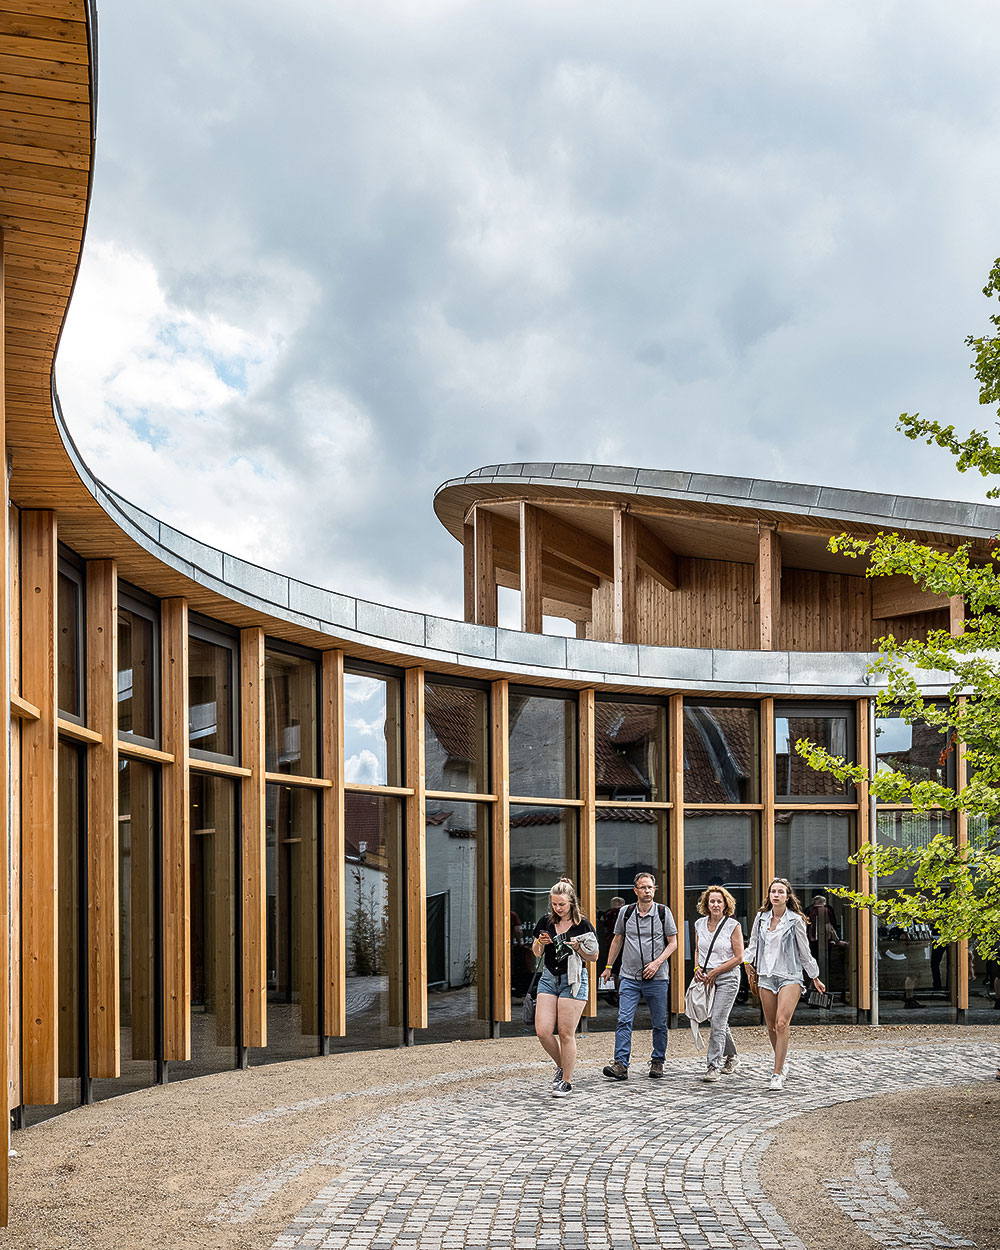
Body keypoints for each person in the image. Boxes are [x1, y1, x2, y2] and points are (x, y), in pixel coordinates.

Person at [746, 877, 825, 1092]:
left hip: (790, 976)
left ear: (787, 896)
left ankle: (777, 1073)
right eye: (773, 891)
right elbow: (753, 943)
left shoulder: (795, 920)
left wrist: (814, 976)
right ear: (769, 895)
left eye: (781, 892)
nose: (776, 895)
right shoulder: (761, 918)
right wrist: (746, 963)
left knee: (781, 1024)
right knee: (771, 1026)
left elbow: (804, 951)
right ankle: (782, 1062)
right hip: (765, 976)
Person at [599, 871, 677, 1080]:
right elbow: (617, 940)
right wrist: (608, 966)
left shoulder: (663, 912)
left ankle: (658, 1061)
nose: (647, 891)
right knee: (624, 1020)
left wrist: (657, 963)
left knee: (659, 1022)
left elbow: (673, 943)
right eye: (643, 887)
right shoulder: (625, 912)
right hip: (629, 977)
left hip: (657, 978)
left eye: (650, 887)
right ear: (636, 890)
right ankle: (621, 1064)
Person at [531, 878, 599, 1097]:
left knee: (565, 1032)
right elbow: (536, 952)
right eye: (554, 904)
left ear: (572, 902)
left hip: (573, 979)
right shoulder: (546, 921)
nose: (557, 908)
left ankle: (566, 1081)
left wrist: (578, 947)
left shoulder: (583, 925)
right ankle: (563, 1066)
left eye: (562, 904)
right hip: (549, 977)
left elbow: (594, 956)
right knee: (542, 1031)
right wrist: (541, 942)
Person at [692, 886, 745, 1082]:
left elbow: (739, 957)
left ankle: (712, 1066)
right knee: (715, 1018)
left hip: (727, 977)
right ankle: (732, 1056)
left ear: (725, 905)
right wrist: (697, 968)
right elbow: (697, 949)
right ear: (706, 904)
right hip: (706, 977)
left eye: (719, 902)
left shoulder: (733, 926)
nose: (715, 904)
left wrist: (716, 971)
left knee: (717, 1021)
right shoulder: (699, 924)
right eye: (712, 901)